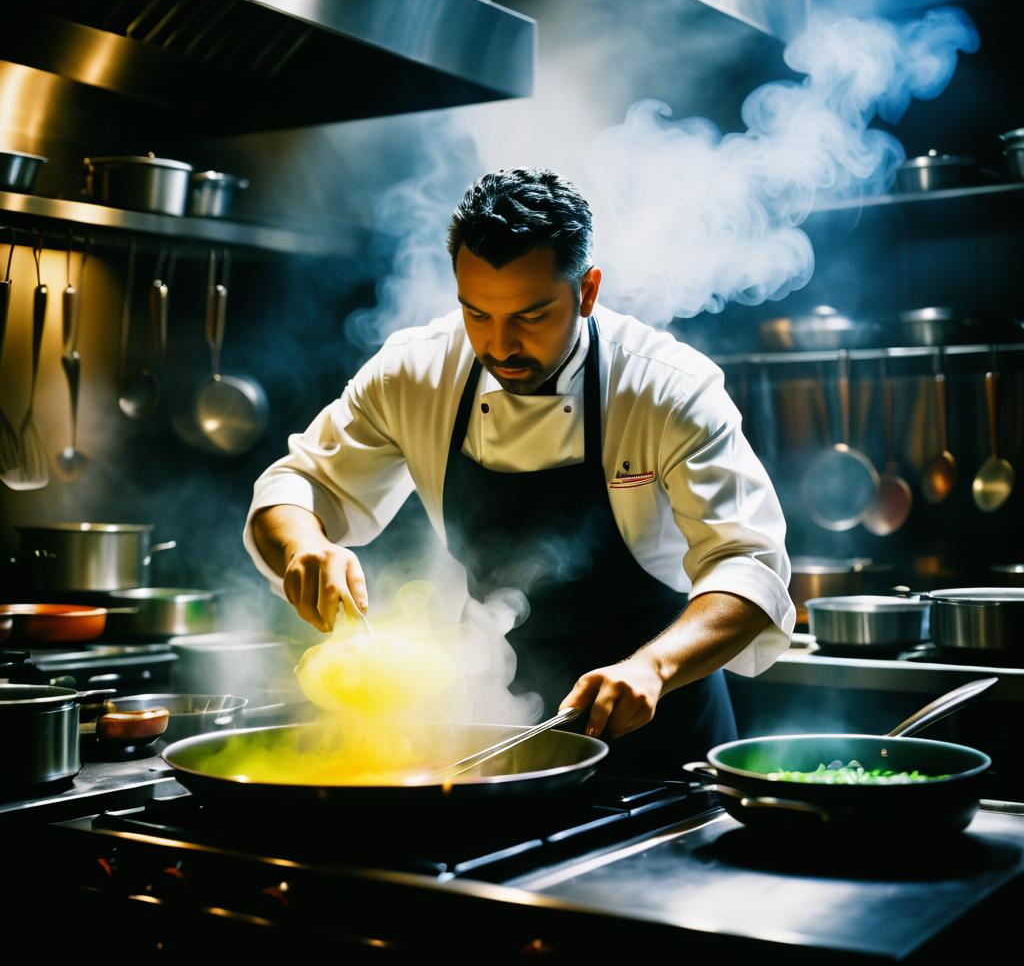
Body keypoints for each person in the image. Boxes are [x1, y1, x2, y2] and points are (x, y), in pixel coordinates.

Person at [244, 167, 795, 776]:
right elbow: (297, 485)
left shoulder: (667, 388)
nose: (500, 345)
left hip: (658, 732)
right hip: (492, 726)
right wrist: (304, 546)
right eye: (476, 314)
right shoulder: (414, 371)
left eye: (530, 317)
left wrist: (653, 667)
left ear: (586, 291)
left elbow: (749, 567)